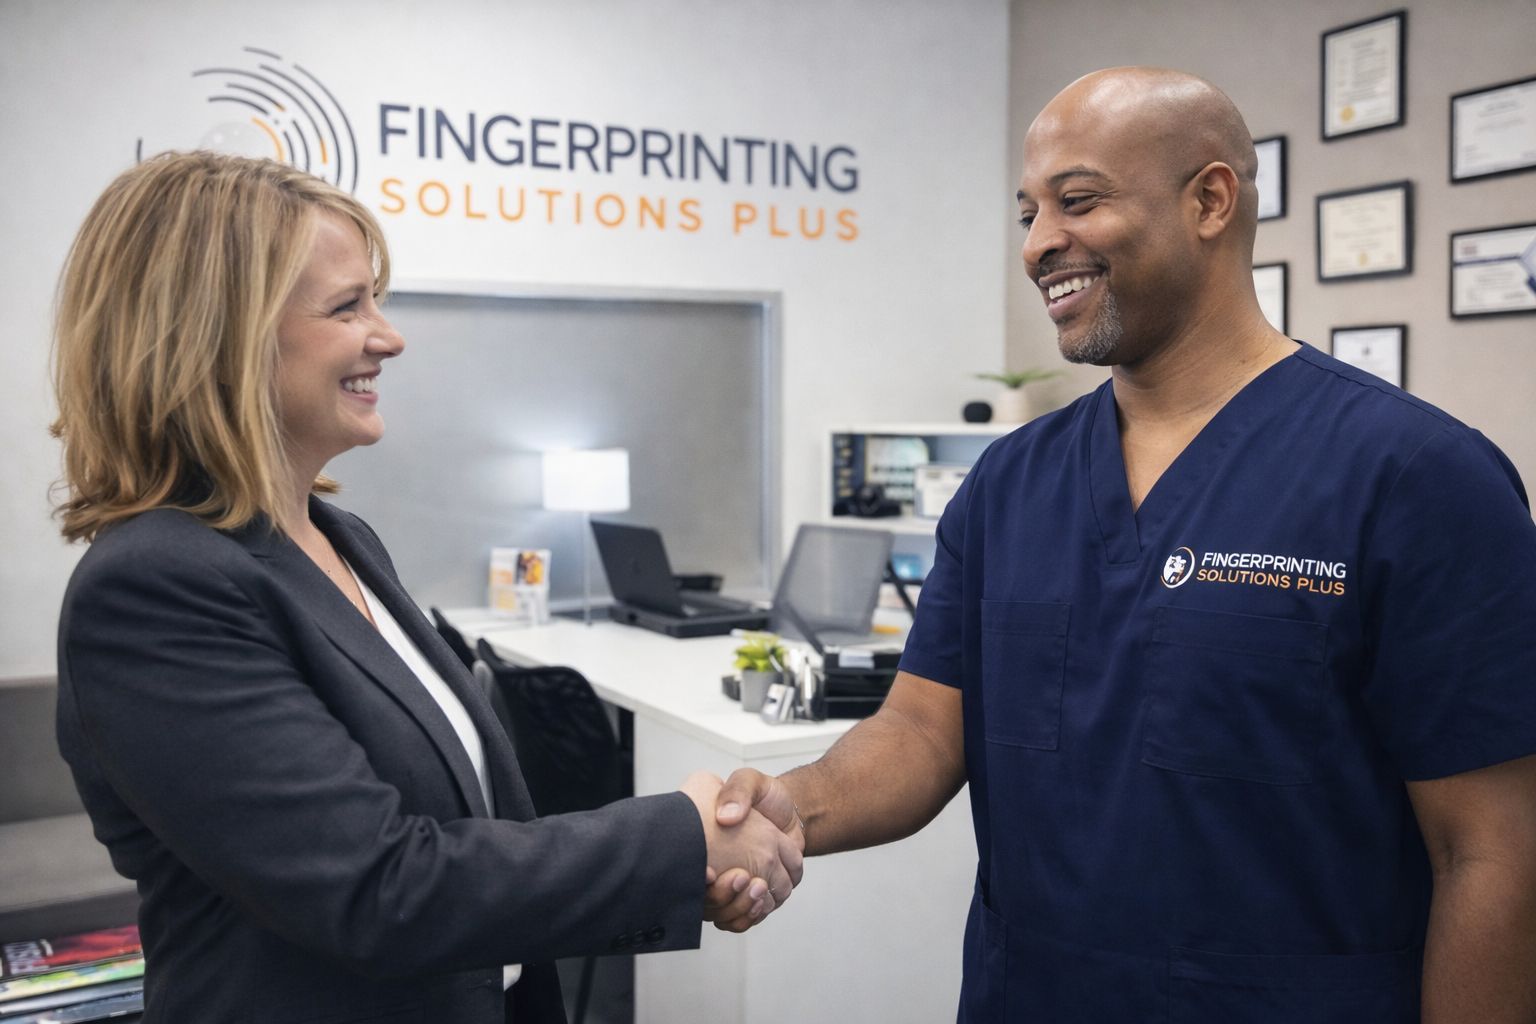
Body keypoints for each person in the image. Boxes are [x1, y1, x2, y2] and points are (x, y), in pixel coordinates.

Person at [707, 67, 1536, 1021]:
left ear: (1210, 201)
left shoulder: (1417, 477)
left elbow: (1492, 850)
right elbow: (921, 731)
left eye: (1078, 200)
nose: (1038, 244)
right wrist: (788, 809)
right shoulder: (1010, 484)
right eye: (1026, 213)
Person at [50, 151, 799, 1024]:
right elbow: (381, 888)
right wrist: (679, 836)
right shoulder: (155, 588)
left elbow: (472, 835)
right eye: (347, 306)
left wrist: (686, 870)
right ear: (222, 339)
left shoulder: (341, 540)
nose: (389, 336)